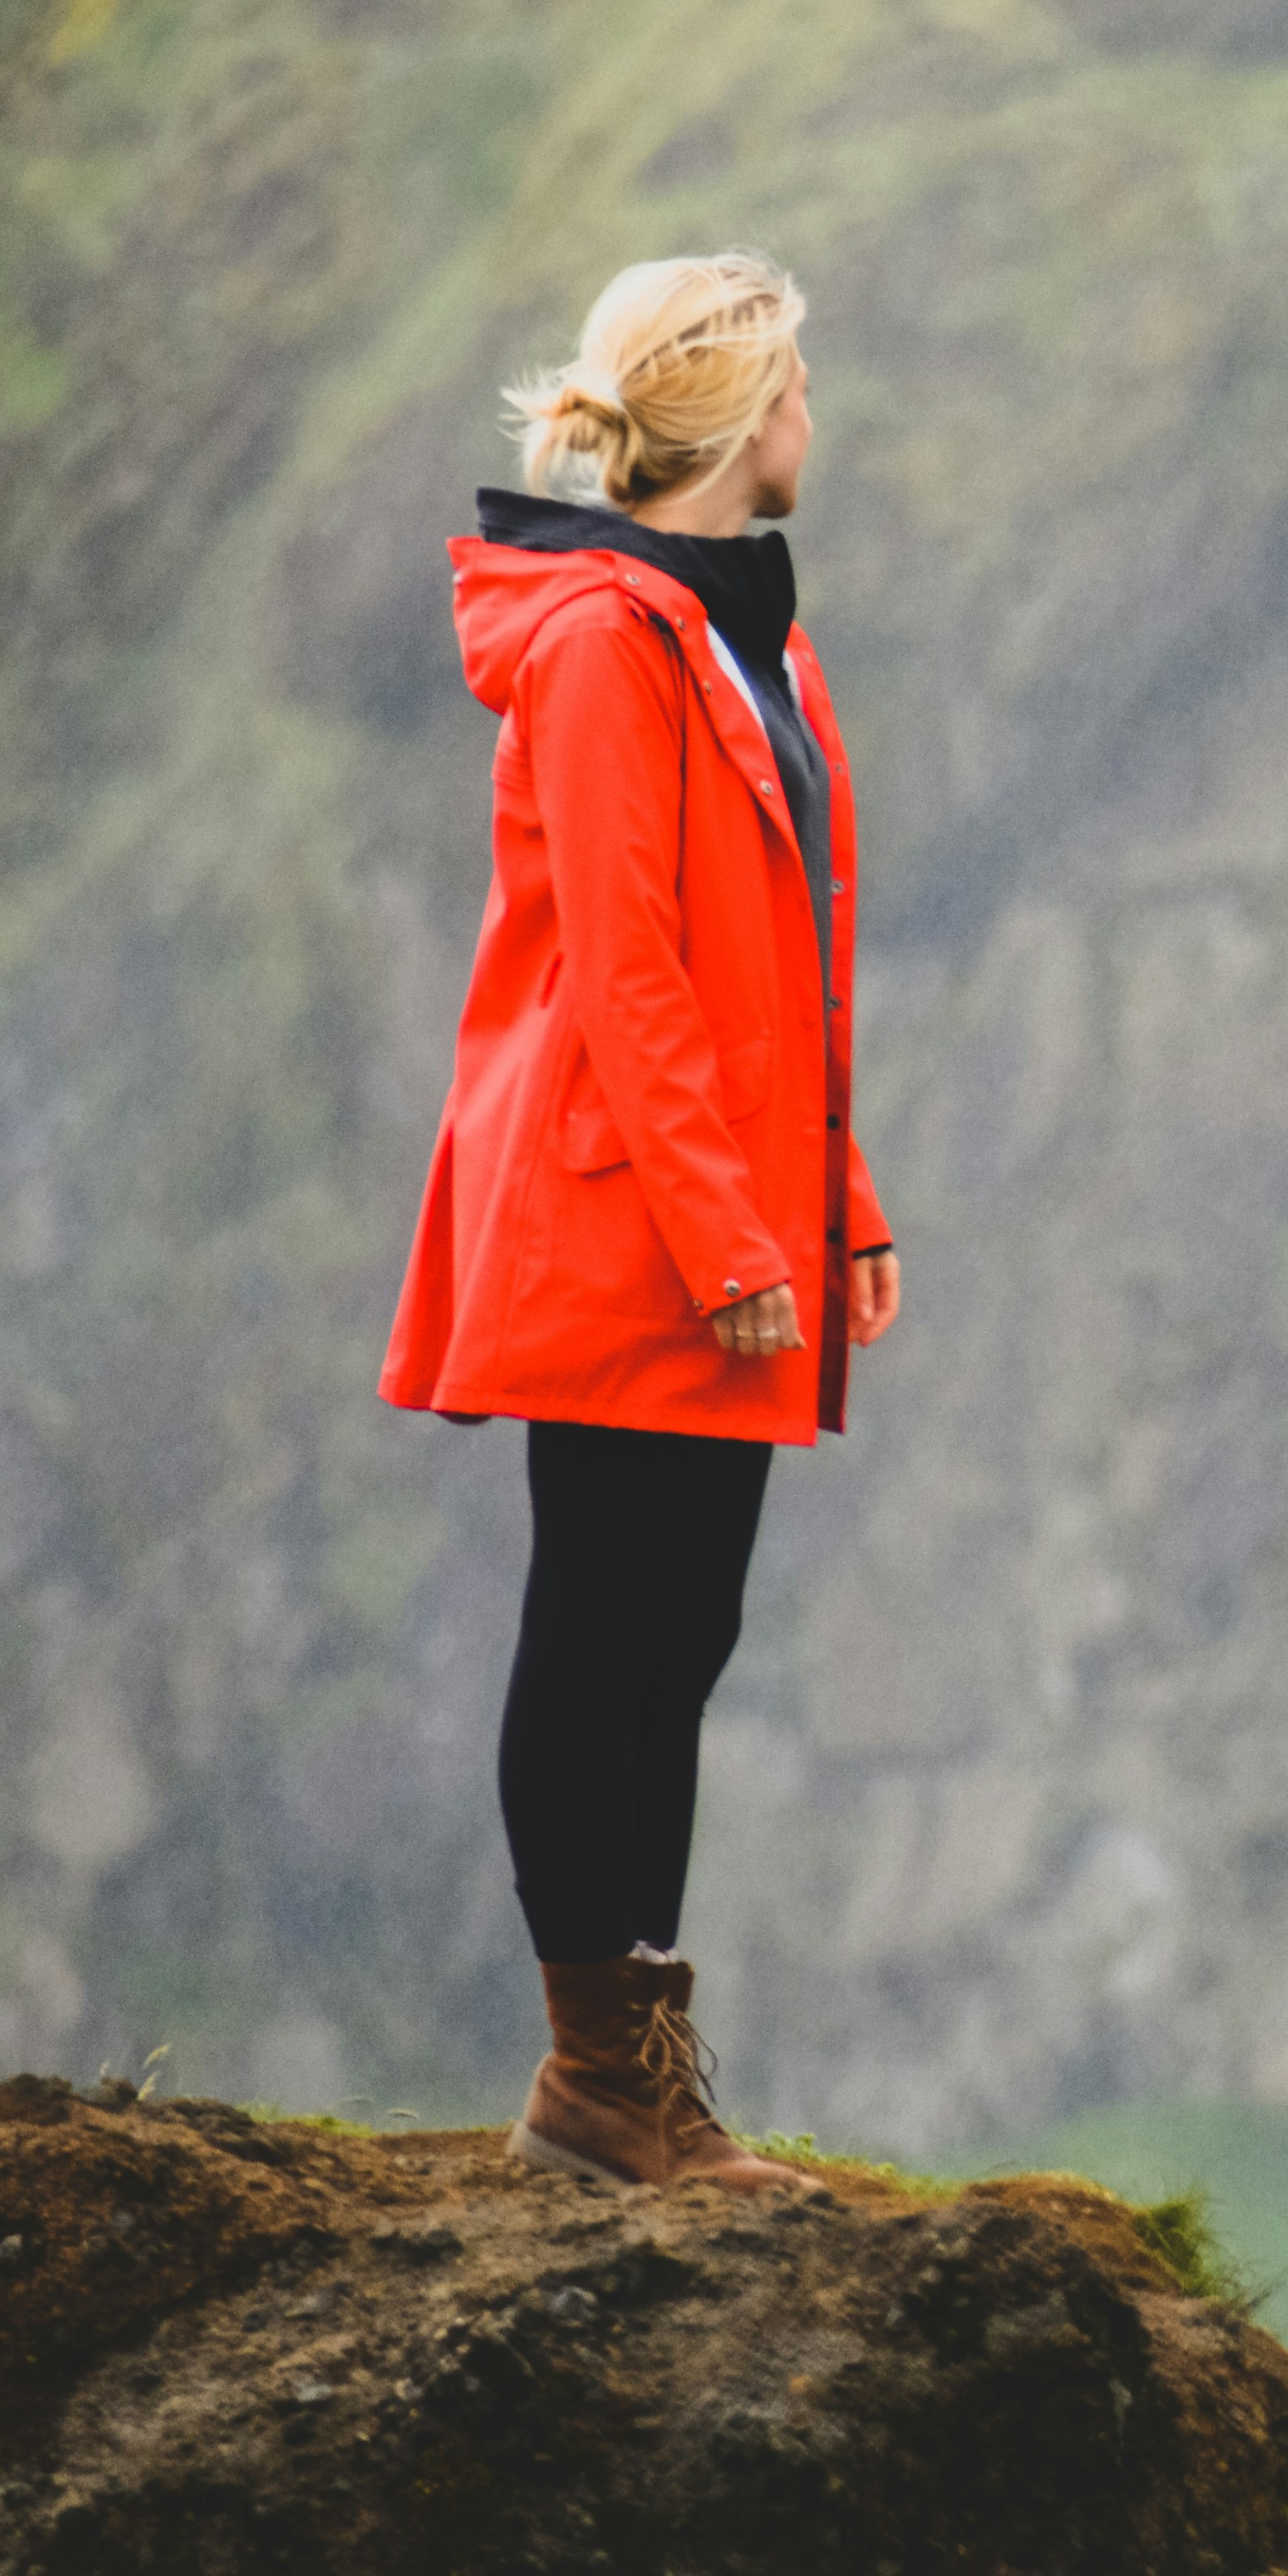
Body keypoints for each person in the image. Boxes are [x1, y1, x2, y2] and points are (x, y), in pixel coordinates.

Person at [381, 249, 900, 2196]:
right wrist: (726, 1232)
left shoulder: (744, 634)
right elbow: (628, 968)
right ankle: (600, 2071)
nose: (815, 424)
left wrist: (830, 1198)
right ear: (745, 414)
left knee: (682, 1622)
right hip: (624, 1211)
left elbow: (788, 961)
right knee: (603, 1616)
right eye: (801, 390)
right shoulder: (608, 641)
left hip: (717, 1208)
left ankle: (639, 2064)